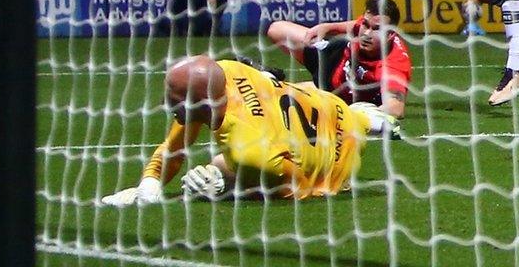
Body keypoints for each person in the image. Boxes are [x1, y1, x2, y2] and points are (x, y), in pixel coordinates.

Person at [99, 55, 392, 205]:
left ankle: (367, 119)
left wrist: (231, 187)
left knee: (222, 165)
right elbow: (174, 146)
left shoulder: (247, 148)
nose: (166, 102)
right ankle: (368, 118)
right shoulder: (224, 70)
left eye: (174, 98)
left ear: (200, 103)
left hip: (340, 161)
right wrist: (149, 184)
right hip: (327, 106)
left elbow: (299, 186)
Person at [266, 0, 411, 118]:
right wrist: (328, 27)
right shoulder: (369, 23)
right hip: (334, 56)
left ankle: (270, 80)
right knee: (276, 29)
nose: (366, 34)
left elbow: (396, 108)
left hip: (337, 95)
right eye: (366, 25)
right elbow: (357, 23)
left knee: (281, 98)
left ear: (391, 34)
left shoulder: (394, 63)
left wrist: (359, 114)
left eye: (376, 29)